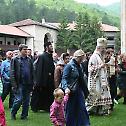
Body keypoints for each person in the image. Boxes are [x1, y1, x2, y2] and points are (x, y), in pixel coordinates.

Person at [61, 49, 90, 126]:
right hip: (71, 92)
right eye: (82, 58)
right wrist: (66, 88)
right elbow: (64, 78)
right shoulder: (69, 66)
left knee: (82, 109)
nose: (83, 60)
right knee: (70, 111)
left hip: (78, 91)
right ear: (78, 57)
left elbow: (81, 80)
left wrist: (86, 92)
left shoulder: (79, 65)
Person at [87, 38, 112, 115]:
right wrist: (100, 66)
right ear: (99, 48)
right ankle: (90, 111)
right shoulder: (94, 56)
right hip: (95, 81)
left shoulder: (100, 57)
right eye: (103, 48)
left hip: (101, 81)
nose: (104, 50)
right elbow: (90, 69)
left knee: (102, 96)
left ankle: (100, 111)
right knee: (95, 96)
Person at [10, 44, 34, 120]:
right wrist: (14, 85)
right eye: (24, 49)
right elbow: (12, 73)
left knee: (26, 101)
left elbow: (32, 71)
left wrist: (33, 82)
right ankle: (13, 113)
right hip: (19, 83)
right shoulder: (15, 59)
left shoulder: (29, 59)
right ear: (20, 50)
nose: (26, 51)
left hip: (28, 83)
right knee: (19, 100)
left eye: (27, 49)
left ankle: (24, 116)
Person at [31, 42, 55, 112]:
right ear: (46, 47)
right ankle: (35, 107)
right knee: (39, 94)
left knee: (48, 95)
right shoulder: (42, 56)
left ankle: (46, 107)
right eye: (50, 46)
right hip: (43, 80)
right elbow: (39, 69)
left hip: (49, 80)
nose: (52, 47)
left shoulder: (50, 56)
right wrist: (39, 81)